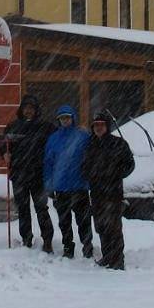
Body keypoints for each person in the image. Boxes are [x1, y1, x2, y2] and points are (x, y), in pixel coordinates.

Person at [81, 110, 135, 270]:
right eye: (96, 125)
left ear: (107, 126)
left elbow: (130, 164)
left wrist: (116, 174)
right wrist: (89, 175)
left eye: (101, 125)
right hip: (97, 193)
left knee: (114, 227)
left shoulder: (118, 143)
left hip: (113, 192)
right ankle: (107, 256)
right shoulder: (90, 145)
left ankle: (118, 260)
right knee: (101, 226)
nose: (98, 128)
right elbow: (84, 166)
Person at [4, 94, 55, 251]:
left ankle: (47, 240)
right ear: (22, 110)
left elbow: (60, 137)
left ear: (36, 110)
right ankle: (26, 238)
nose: (28, 111)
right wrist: (4, 154)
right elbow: (4, 144)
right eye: (26, 108)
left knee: (41, 208)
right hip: (19, 175)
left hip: (38, 175)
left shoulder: (45, 127)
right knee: (23, 209)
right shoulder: (12, 126)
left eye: (31, 108)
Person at [42, 105, 92, 259]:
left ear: (73, 118)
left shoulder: (83, 136)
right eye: (62, 118)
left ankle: (87, 246)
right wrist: (48, 185)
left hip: (80, 186)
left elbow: (91, 158)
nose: (65, 120)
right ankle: (68, 246)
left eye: (67, 117)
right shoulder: (53, 139)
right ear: (59, 120)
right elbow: (48, 163)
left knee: (83, 220)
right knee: (64, 221)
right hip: (61, 186)